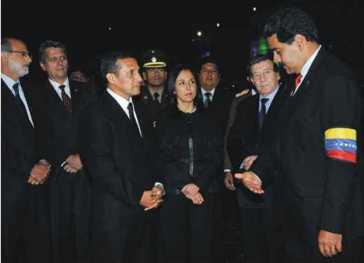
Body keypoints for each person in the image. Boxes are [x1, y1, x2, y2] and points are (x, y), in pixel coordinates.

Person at [235, 7, 363, 263]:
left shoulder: (334, 81)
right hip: (298, 215)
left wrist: (332, 224)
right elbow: (282, 140)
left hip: (324, 221)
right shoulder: (297, 84)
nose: (277, 59)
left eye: (279, 51)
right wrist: (259, 171)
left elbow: (342, 160)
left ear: (300, 41)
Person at [79, 51, 164, 263]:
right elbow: (102, 169)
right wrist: (138, 195)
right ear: (112, 78)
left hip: (147, 210)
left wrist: (158, 184)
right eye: (132, 73)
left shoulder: (141, 109)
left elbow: (152, 153)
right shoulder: (95, 113)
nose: (140, 78)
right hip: (115, 216)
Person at [32, 40, 95, 263]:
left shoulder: (87, 90)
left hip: (88, 177)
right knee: (61, 240)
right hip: (56, 180)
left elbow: (97, 130)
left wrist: (83, 158)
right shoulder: (33, 95)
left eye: (63, 57)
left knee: (89, 237)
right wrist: (63, 157)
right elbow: (36, 134)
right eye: (53, 59)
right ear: (42, 65)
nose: (60, 62)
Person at [155, 64, 223, 263]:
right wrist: (184, 184)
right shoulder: (163, 119)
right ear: (173, 88)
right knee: (175, 249)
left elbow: (215, 156)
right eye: (182, 83)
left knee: (203, 249)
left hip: (204, 193)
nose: (188, 87)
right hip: (174, 193)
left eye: (192, 82)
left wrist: (198, 185)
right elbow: (161, 157)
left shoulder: (209, 118)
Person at [227, 55, 286, 263]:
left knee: (278, 248)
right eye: (256, 75)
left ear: (278, 74)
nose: (262, 79)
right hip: (247, 192)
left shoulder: (291, 101)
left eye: (267, 72)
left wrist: (260, 162)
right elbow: (233, 140)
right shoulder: (245, 105)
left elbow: (287, 142)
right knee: (253, 246)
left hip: (280, 188)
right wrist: (244, 160)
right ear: (250, 80)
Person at [1, 37, 51, 263]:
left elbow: (45, 134)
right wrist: (28, 170)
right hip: (7, 195)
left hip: (37, 192)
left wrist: (44, 161)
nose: (29, 59)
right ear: (3, 56)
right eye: (23, 54)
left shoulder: (32, 90)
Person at [134, 49, 170, 128]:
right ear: (144, 75)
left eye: (160, 69)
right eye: (151, 70)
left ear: (166, 74)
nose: (156, 73)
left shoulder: (174, 95)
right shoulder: (136, 99)